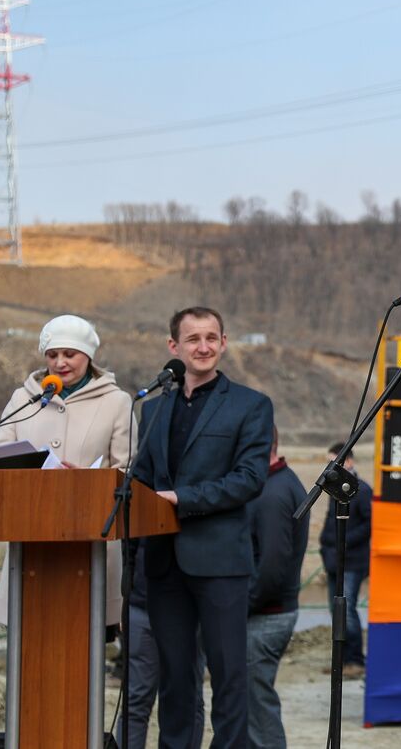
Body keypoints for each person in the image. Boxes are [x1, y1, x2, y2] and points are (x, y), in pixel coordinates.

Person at [133, 306, 273, 749]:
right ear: (174, 347)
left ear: (224, 343)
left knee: (229, 675)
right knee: (175, 677)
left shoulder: (251, 405)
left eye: (211, 337)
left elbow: (250, 479)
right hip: (163, 562)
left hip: (220, 562)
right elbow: (141, 478)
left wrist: (184, 499)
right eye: (193, 339)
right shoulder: (152, 410)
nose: (203, 347)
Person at [0, 315, 133, 627]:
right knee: (29, 635)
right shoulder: (23, 398)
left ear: (88, 356)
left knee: (86, 635)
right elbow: (0, 455)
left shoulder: (117, 402)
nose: (60, 363)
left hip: (91, 544)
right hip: (30, 540)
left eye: (69, 354)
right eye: (52, 355)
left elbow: (127, 471)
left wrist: (86, 480)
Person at [246, 427, 309, 748]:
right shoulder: (276, 483)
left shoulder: (273, 494)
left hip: (265, 615)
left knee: (257, 708)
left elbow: (271, 566)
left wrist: (239, 607)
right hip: (267, 611)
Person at [114, 542, 205, 749]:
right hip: (141, 606)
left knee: (191, 698)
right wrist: (123, 598)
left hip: (190, 611)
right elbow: (128, 547)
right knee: (135, 700)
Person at [319, 442, 372, 677]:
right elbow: (331, 522)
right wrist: (325, 545)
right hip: (334, 560)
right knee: (335, 611)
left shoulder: (363, 490)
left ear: (348, 462)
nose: (330, 466)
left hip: (352, 561)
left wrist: (345, 541)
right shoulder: (335, 490)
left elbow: (369, 525)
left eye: (335, 461)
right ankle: (339, 662)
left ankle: (355, 661)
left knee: (347, 610)